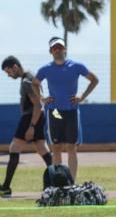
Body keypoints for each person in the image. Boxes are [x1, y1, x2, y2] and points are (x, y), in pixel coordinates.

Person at [32, 37, 99, 181]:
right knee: (56, 147)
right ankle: (58, 183)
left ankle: (72, 183)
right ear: (51, 51)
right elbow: (35, 83)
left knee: (71, 148)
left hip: (71, 111)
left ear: (65, 49)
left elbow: (94, 79)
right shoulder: (46, 69)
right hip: (55, 112)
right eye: (54, 48)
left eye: (60, 47)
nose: (57, 50)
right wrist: (42, 97)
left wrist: (82, 96)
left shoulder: (76, 66)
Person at [1, 56, 53, 197]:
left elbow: (37, 104)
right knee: (43, 150)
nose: (8, 75)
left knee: (14, 148)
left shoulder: (26, 81)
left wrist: (31, 126)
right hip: (38, 118)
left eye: (8, 71)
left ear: (15, 67)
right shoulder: (31, 76)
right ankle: (57, 182)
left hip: (30, 118)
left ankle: (5, 188)